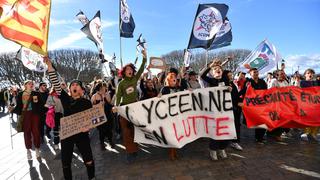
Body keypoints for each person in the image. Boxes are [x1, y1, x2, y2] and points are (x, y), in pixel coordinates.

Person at [45, 58, 96, 180]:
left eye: (77, 85)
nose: (74, 86)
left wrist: (89, 127)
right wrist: (49, 65)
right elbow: (55, 82)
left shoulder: (87, 102)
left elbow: (94, 119)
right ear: (69, 90)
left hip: (82, 134)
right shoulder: (65, 98)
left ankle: (92, 177)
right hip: (67, 134)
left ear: (82, 90)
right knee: (65, 163)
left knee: (88, 159)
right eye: (72, 85)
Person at [112, 49, 147, 163]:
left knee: (134, 130)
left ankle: (134, 148)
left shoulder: (135, 79)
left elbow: (142, 68)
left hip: (135, 108)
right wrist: (116, 107)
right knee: (126, 131)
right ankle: (129, 151)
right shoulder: (121, 83)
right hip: (124, 109)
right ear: (124, 71)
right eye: (127, 69)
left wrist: (145, 57)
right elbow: (118, 96)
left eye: (131, 69)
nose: (130, 70)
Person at [200, 59, 230, 160]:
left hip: (225, 110)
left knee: (224, 130)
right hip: (214, 110)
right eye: (215, 69)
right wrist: (210, 65)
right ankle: (213, 150)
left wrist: (230, 88)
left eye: (219, 69)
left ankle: (222, 148)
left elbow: (229, 90)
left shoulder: (225, 79)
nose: (218, 70)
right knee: (215, 130)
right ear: (212, 73)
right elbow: (202, 75)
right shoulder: (211, 80)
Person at [11, 80, 43, 160]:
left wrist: (42, 111)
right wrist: (12, 109)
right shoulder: (21, 94)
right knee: (27, 132)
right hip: (25, 115)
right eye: (29, 83)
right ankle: (28, 150)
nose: (31, 84)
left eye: (32, 83)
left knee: (36, 132)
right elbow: (19, 106)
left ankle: (37, 149)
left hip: (35, 115)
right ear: (25, 85)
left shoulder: (36, 93)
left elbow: (41, 105)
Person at [240, 68, 268, 144]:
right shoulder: (248, 82)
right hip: (252, 105)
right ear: (250, 73)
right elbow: (243, 92)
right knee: (256, 121)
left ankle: (260, 138)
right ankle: (258, 137)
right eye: (254, 72)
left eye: (257, 72)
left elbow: (266, 91)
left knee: (263, 120)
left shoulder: (262, 81)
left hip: (261, 105)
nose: (256, 73)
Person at [222, 70, 243, 151]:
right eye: (229, 76)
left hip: (235, 109)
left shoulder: (232, 84)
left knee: (237, 125)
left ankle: (235, 142)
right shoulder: (223, 84)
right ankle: (223, 143)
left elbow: (236, 95)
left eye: (231, 75)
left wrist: (239, 102)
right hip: (227, 109)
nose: (231, 77)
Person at [267, 69, 290, 141]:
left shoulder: (286, 82)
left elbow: (289, 90)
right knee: (277, 119)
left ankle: (275, 132)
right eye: (282, 74)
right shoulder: (274, 81)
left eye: (284, 73)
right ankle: (276, 134)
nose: (284, 75)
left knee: (283, 118)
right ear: (277, 75)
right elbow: (270, 91)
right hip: (276, 103)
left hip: (284, 103)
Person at [91, 81, 115, 150]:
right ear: (98, 88)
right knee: (101, 131)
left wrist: (109, 99)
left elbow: (110, 104)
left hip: (108, 115)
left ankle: (111, 142)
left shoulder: (107, 94)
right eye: (102, 88)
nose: (104, 89)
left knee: (109, 130)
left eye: (104, 88)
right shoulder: (94, 96)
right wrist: (98, 104)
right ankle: (102, 143)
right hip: (100, 116)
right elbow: (92, 108)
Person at [300, 68, 319, 141]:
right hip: (307, 103)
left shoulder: (315, 82)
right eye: (308, 73)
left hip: (315, 103)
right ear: (305, 75)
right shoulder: (303, 82)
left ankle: (313, 133)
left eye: (311, 73)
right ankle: (306, 133)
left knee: (316, 118)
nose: (310, 74)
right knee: (308, 118)